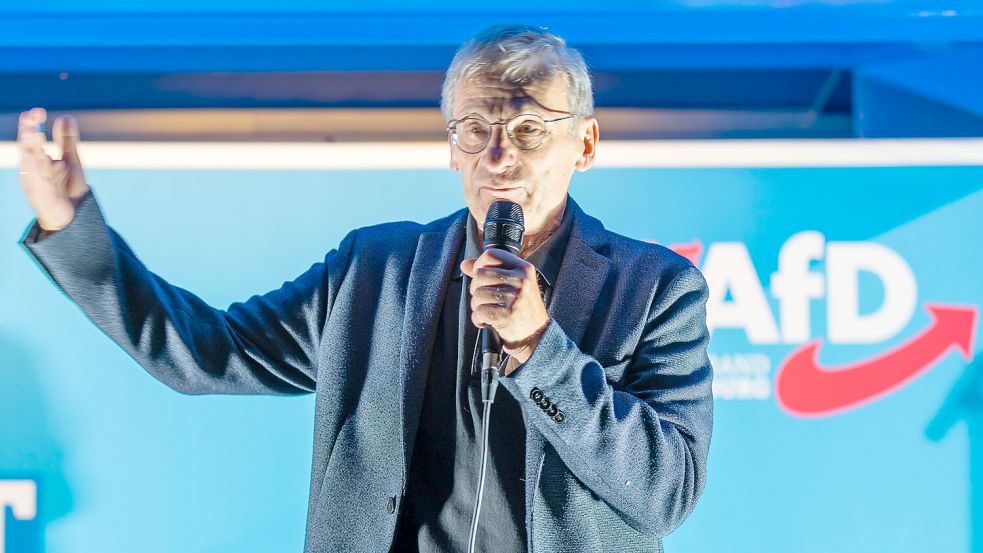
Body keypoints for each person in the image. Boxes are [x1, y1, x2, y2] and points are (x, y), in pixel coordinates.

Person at [15, 24, 713, 553]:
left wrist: (537, 344)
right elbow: (204, 353)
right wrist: (70, 225)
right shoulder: (372, 270)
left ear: (584, 144)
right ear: (449, 145)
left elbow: (663, 489)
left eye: (529, 129)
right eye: (474, 129)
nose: (497, 156)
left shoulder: (654, 288)